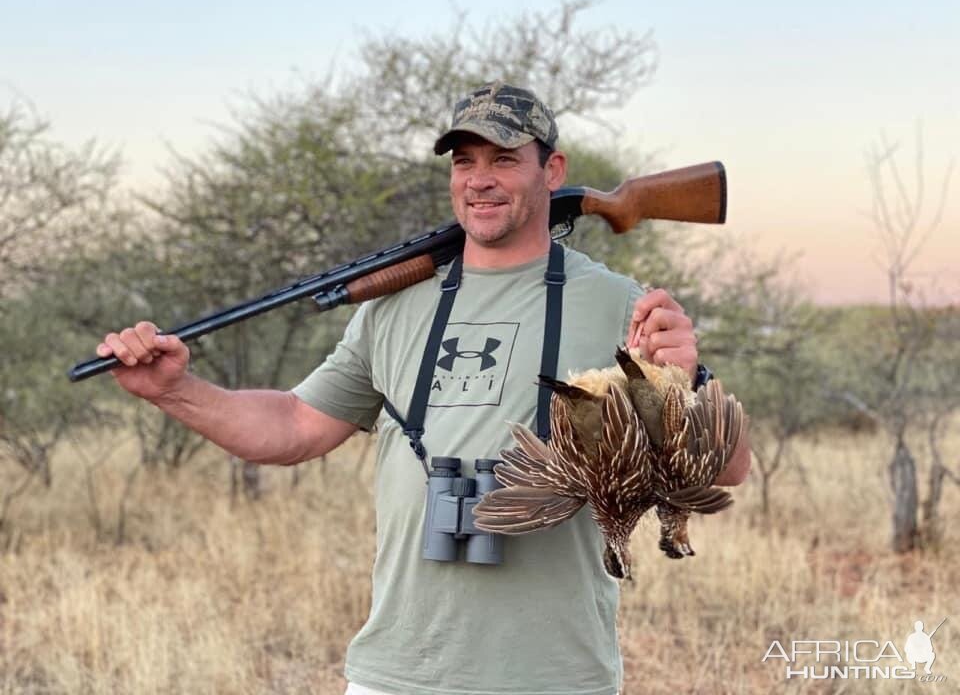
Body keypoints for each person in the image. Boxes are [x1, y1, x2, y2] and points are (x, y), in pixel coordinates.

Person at [97, 81, 751, 695]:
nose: (480, 180)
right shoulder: (392, 307)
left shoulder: (618, 303)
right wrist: (172, 389)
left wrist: (685, 380)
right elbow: (294, 425)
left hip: (556, 676)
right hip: (397, 674)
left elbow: (725, 469)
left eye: (504, 158)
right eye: (464, 162)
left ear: (553, 173)